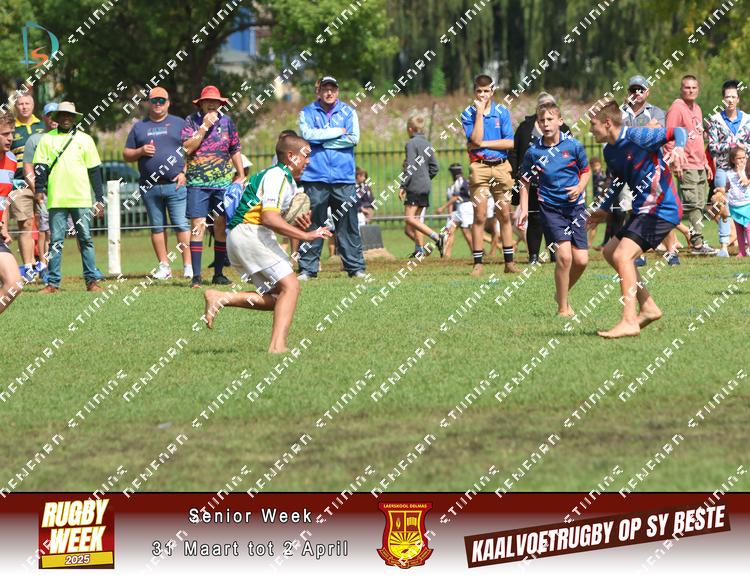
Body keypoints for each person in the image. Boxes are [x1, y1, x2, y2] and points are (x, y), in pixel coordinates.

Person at [202, 134, 331, 353]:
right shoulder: (277, 176)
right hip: (250, 234)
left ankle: (221, 298)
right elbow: (269, 218)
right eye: (306, 155)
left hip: (244, 235)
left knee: (278, 296)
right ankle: (277, 347)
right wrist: (306, 236)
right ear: (291, 156)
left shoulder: (286, 180)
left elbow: (274, 217)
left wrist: (297, 223)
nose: (309, 161)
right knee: (291, 287)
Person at [587, 100, 688, 338]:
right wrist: (603, 209)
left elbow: (678, 131)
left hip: (662, 208)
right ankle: (648, 307)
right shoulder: (609, 151)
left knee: (623, 255)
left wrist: (679, 148)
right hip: (644, 211)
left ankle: (629, 320)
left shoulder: (639, 136)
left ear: (607, 122)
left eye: (593, 125)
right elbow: (618, 182)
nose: (590, 130)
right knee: (611, 252)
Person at [517, 102, 591, 317]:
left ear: (560, 121)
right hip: (550, 209)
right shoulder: (534, 152)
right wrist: (523, 208)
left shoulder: (574, 146)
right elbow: (524, 180)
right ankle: (563, 309)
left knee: (582, 260)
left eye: (550, 119)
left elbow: (586, 171)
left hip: (576, 208)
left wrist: (579, 187)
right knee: (565, 257)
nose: (546, 124)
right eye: (542, 121)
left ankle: (561, 294)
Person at [297, 75, 367, 279]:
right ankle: (308, 269)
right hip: (315, 177)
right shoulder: (306, 112)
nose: (329, 93)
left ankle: (355, 268)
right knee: (312, 224)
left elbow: (353, 138)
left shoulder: (349, 112)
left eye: (333, 89)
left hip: (343, 178)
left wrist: (324, 141)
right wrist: (337, 131)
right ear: (318, 91)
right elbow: (307, 135)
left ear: (337, 91)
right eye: (325, 89)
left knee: (348, 224)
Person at [33, 102, 105, 293]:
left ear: (74, 118)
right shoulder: (47, 139)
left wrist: (99, 199)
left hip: (81, 198)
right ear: (57, 117)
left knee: (86, 240)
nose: (66, 118)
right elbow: (40, 167)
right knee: (55, 242)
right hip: (56, 198)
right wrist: (39, 189)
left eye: (69, 115)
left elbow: (94, 171)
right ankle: (52, 284)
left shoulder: (86, 140)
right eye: (62, 114)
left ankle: (91, 282)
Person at [124, 87, 191, 279]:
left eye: (162, 100)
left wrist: (184, 173)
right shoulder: (139, 127)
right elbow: (126, 154)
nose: (158, 104)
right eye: (154, 100)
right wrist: (140, 151)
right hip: (149, 186)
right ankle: (164, 267)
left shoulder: (180, 123)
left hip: (175, 185)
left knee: (181, 225)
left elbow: (192, 149)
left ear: (168, 103)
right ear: (149, 103)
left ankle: (188, 266)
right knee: (157, 227)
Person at [182, 85, 245, 288]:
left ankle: (218, 273)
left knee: (220, 225)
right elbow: (187, 148)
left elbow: (235, 149)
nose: (211, 104)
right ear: (201, 104)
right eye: (207, 101)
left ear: (220, 104)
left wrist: (241, 174)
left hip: (222, 184)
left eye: (215, 101)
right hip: (197, 183)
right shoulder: (191, 121)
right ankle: (196, 277)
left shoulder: (227, 122)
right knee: (197, 226)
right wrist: (204, 127)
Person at [462, 74, 519, 276]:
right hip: (480, 167)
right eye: (479, 91)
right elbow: (474, 137)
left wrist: (482, 144)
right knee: (479, 215)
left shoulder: (501, 112)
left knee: (504, 214)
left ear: (492, 91)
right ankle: (478, 263)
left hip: (501, 167)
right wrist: (479, 114)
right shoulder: (468, 113)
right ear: (474, 92)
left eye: (486, 91)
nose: (483, 95)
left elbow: (510, 142)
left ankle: (509, 263)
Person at [509, 92, 569, 264]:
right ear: (537, 108)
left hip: (555, 182)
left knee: (554, 219)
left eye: (550, 105)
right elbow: (514, 151)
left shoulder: (564, 129)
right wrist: (515, 173)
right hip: (533, 181)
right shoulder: (525, 127)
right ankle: (533, 255)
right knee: (535, 218)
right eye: (542, 105)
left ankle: (554, 254)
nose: (546, 121)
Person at [665, 75, 717, 256]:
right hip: (686, 164)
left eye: (694, 87)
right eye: (687, 87)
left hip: (699, 164)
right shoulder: (676, 108)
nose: (691, 90)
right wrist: (675, 162)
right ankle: (697, 244)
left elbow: (698, 138)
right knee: (693, 205)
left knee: (700, 205)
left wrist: (705, 163)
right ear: (681, 89)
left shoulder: (697, 108)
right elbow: (669, 137)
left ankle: (697, 240)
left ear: (698, 89)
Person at [708, 80, 750, 257]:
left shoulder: (747, 119)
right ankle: (724, 245)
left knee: (746, 203)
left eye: (733, 97)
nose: (730, 100)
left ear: (738, 99)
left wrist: (742, 150)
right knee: (723, 205)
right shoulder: (715, 120)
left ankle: (746, 244)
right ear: (723, 99)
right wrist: (733, 146)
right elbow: (712, 146)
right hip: (723, 168)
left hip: (744, 169)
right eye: (727, 97)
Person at [9, 94, 45, 279]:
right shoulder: (11, 128)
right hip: (19, 184)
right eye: (21, 104)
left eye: (27, 103)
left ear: (33, 105)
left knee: (46, 226)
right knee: (26, 224)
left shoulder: (43, 126)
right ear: (16, 106)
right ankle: (29, 267)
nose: (24, 107)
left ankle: (45, 267)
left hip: (43, 184)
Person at [21, 102, 58, 282]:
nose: (53, 119)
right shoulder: (35, 139)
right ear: (44, 117)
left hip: (65, 190)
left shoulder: (70, 137)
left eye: (56, 115)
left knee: (75, 230)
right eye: (49, 115)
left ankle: (88, 268)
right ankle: (44, 266)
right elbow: (28, 166)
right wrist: (38, 189)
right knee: (44, 230)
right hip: (44, 191)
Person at [398, 115, 442, 257]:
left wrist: (403, 185)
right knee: (416, 219)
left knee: (409, 218)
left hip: (414, 185)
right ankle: (419, 250)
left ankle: (437, 237)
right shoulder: (427, 143)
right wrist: (425, 178)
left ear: (410, 129)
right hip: (425, 186)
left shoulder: (411, 143)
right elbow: (435, 167)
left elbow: (410, 166)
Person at [0, 112, 22, 315]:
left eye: (12, 133)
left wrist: (4, 227)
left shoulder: (12, 160)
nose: (10, 138)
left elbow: (4, 199)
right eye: (5, 134)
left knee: (14, 284)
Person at [716, 146, 750, 256]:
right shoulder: (729, 173)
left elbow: (745, 183)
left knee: (748, 228)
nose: (742, 160)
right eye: (739, 158)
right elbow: (727, 187)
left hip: (747, 204)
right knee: (739, 230)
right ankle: (742, 252)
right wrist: (720, 190)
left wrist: (740, 172)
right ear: (733, 160)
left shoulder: (747, 171)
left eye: (744, 158)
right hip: (735, 205)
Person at [437, 163, 472, 259]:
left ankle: (477, 253)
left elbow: (455, 197)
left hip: (465, 208)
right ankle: (447, 255)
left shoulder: (458, 182)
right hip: (460, 210)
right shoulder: (464, 181)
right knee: (449, 231)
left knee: (466, 232)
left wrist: (442, 208)